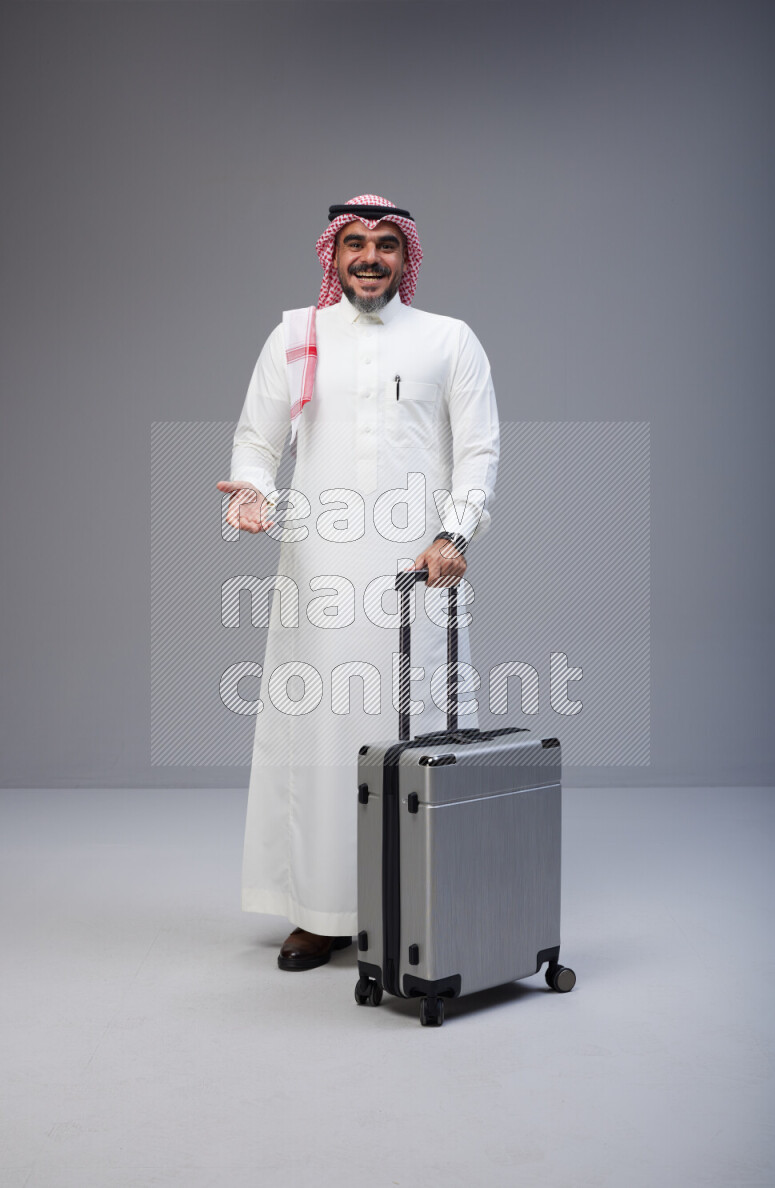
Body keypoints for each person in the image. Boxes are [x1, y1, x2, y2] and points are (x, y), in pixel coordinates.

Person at [217, 194, 499, 970]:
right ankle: (322, 910)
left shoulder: (450, 339)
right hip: (322, 570)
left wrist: (455, 531)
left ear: (406, 258)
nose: (369, 257)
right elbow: (255, 440)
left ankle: (422, 902)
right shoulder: (296, 334)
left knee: (420, 733)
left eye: (385, 244)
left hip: (420, 570)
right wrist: (251, 491)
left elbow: (479, 452)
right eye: (354, 244)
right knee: (322, 735)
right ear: (331, 256)